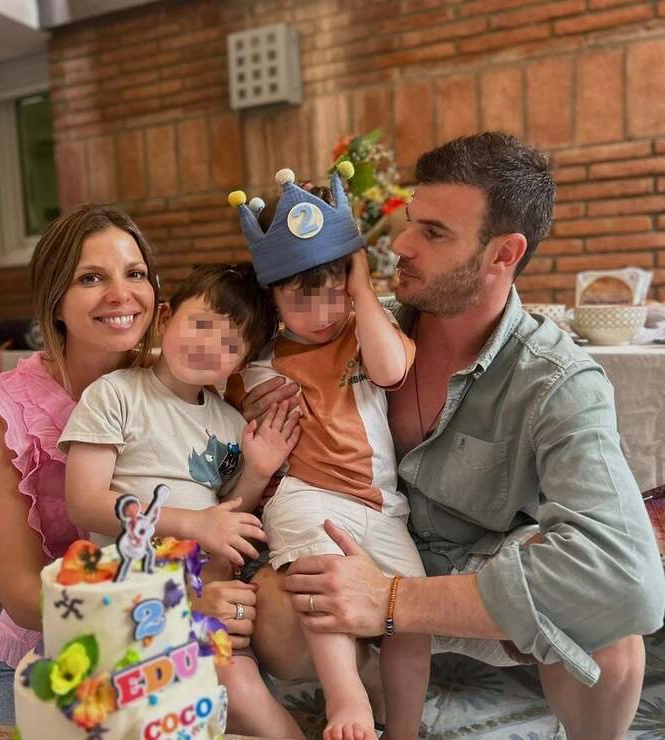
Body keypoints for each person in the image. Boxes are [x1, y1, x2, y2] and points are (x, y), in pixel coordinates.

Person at [244, 133, 665, 740]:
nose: (401, 247)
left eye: (434, 234)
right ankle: (374, 707)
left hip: (475, 584)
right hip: (358, 544)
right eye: (412, 223)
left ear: (503, 253)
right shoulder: (350, 324)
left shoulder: (558, 379)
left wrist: (395, 599)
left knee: (610, 636)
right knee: (276, 617)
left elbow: (631, 579)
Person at [0, 206, 242, 737]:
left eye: (134, 274)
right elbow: (23, 598)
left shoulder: (182, 376)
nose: (121, 295)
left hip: (168, 649)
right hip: (47, 655)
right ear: (55, 300)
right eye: (91, 278)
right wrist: (171, 604)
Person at [60, 262, 304, 738]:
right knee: (240, 691)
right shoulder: (116, 395)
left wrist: (256, 470)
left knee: (244, 686)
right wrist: (193, 524)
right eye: (201, 325)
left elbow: (229, 519)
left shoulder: (229, 423)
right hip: (132, 596)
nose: (210, 346)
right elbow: (85, 502)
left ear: (240, 363)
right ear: (166, 318)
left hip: (208, 597)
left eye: (230, 344)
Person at [226, 168, 428, 740]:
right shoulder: (258, 364)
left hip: (381, 504)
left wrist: (359, 282)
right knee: (322, 577)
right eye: (300, 297)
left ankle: (405, 729)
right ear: (273, 294)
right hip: (305, 495)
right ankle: (349, 702)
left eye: (334, 290)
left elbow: (390, 370)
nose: (321, 313)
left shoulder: (363, 332)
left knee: (408, 617)